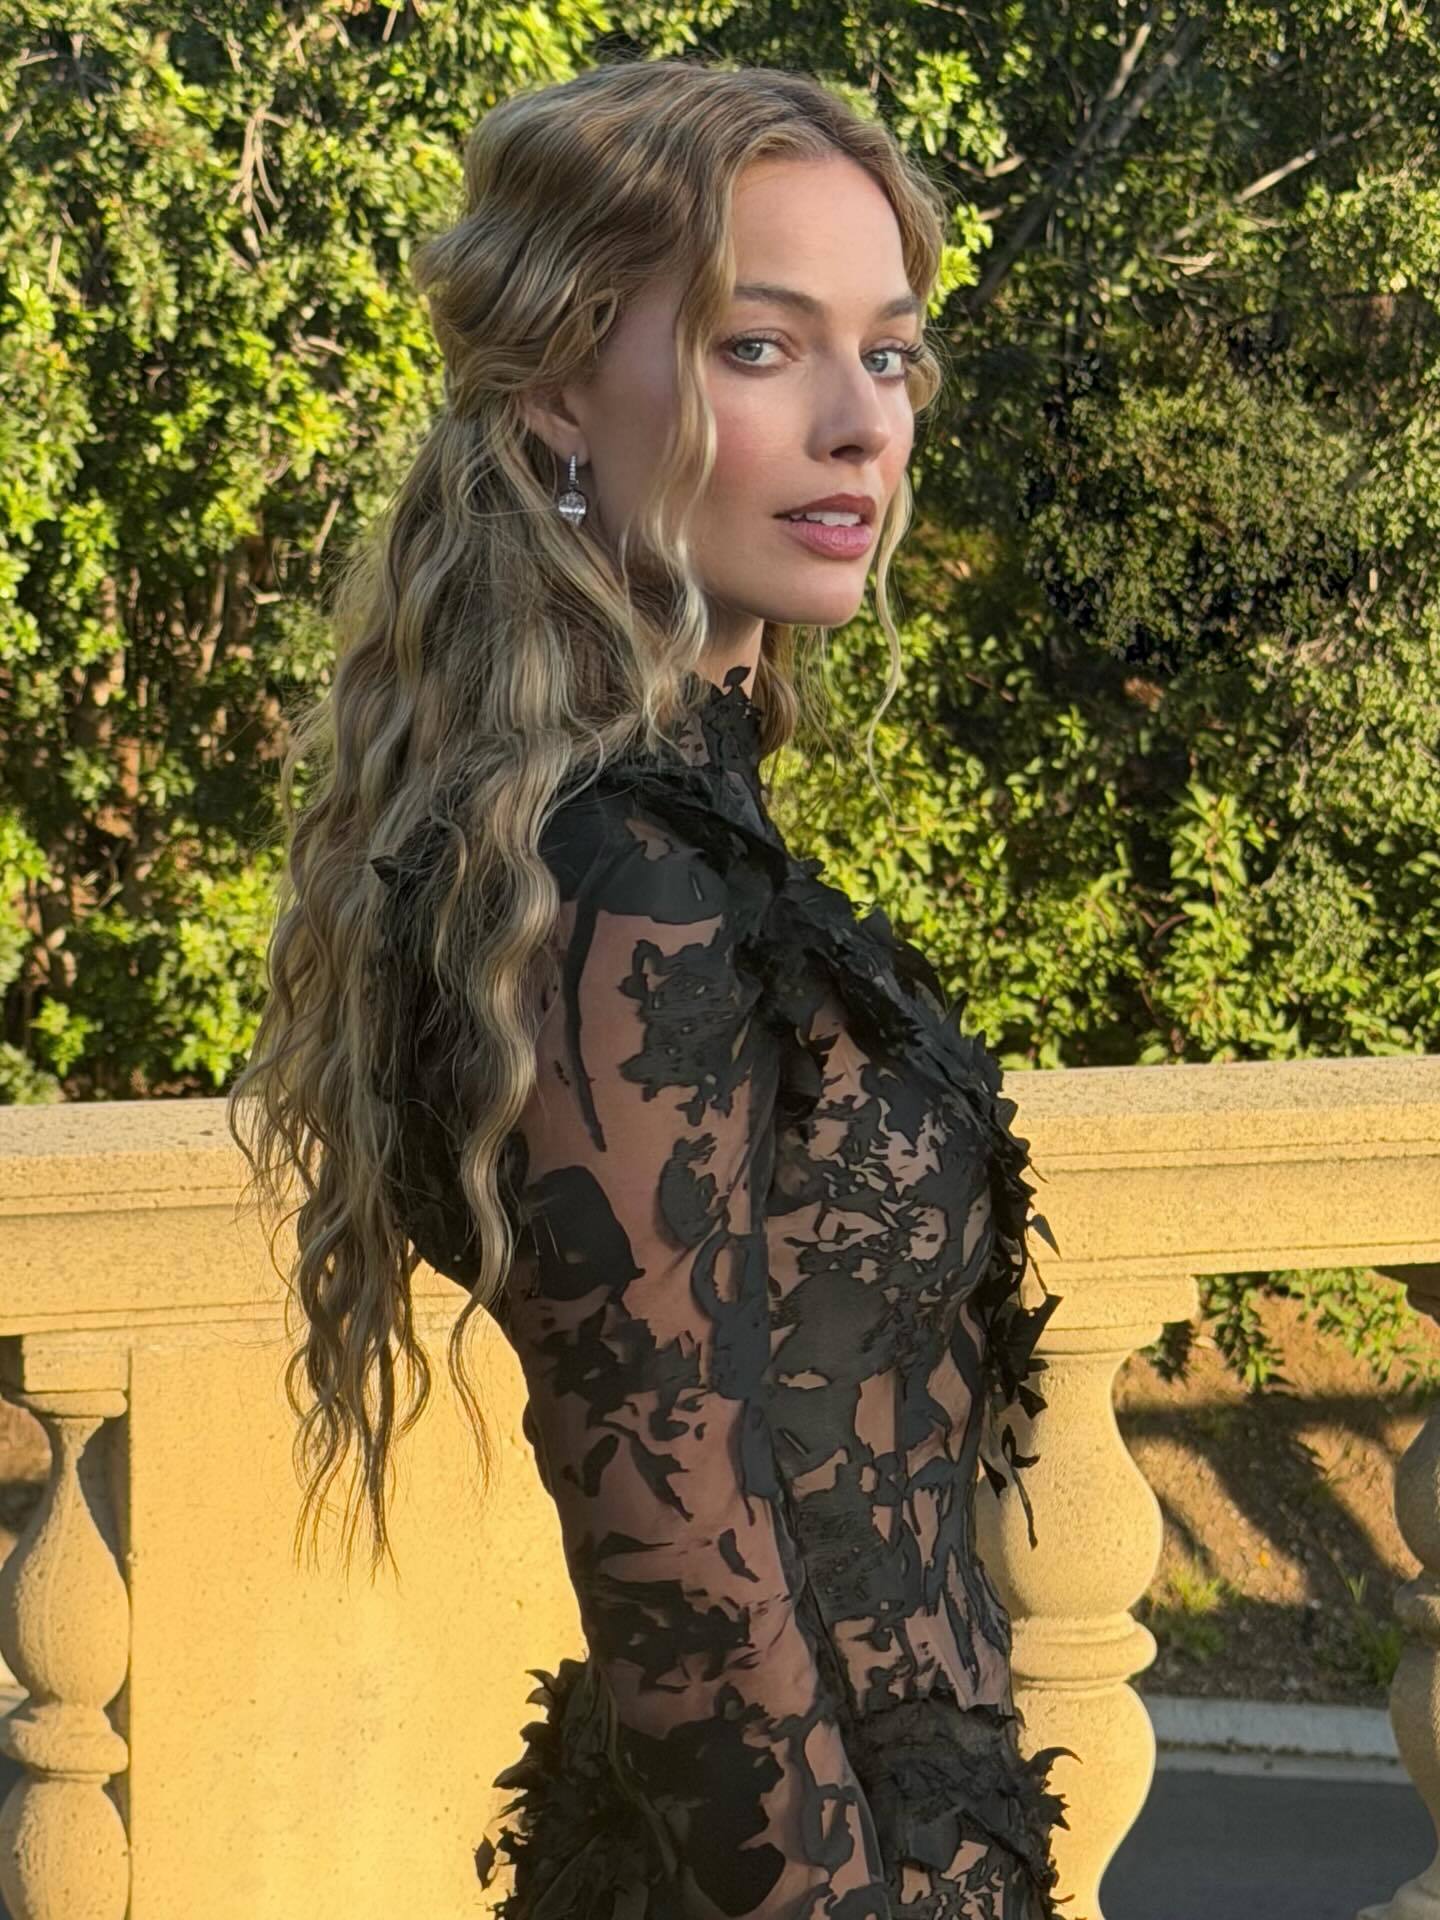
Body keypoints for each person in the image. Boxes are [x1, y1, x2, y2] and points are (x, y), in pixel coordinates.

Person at [229, 54, 1070, 1920]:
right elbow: (686, 1565)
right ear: (554, 390)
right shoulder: (616, 877)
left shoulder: (668, 831)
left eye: (891, 354)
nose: (862, 424)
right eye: (760, 347)